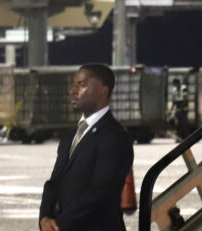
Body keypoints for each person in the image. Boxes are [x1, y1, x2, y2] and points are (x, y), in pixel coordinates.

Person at [39, 63, 134, 231]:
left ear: (103, 90)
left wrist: (60, 224)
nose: (73, 91)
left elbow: (100, 192)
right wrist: (45, 217)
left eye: (81, 85)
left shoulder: (116, 137)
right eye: (74, 85)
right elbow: (54, 182)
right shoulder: (70, 136)